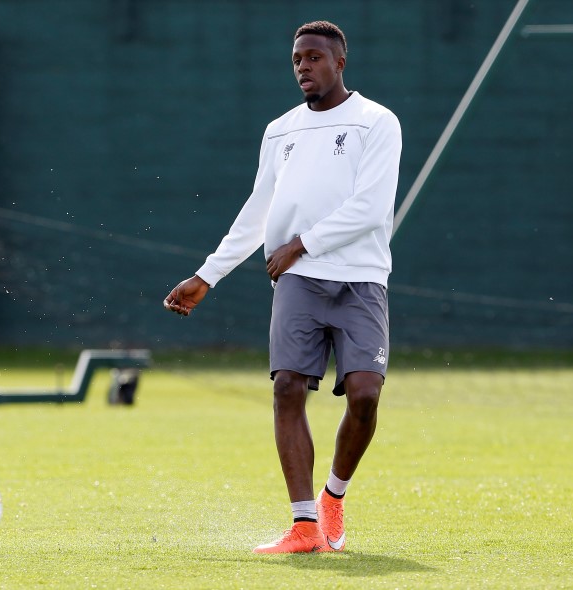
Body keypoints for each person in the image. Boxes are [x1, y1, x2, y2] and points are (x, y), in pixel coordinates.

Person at [163, 20, 401, 554]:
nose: (303, 67)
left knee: (364, 395)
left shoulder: (376, 122)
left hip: (361, 279)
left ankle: (333, 498)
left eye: (314, 57)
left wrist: (302, 243)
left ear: (340, 62)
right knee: (286, 386)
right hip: (297, 282)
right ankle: (302, 525)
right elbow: (257, 211)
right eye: (297, 59)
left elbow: (371, 207)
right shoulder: (280, 130)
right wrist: (207, 275)